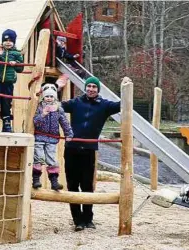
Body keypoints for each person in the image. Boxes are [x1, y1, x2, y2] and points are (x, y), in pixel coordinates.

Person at [61, 76, 120, 231]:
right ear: (85, 88)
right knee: (72, 184)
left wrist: (126, 87)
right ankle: (77, 220)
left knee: (87, 184)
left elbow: (123, 105)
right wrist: (56, 87)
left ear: (98, 89)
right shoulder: (76, 103)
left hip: (89, 150)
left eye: (94, 86)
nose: (91, 89)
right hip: (72, 148)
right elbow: (56, 105)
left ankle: (88, 219)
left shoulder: (104, 106)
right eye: (89, 86)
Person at [32, 82, 73, 190]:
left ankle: (54, 182)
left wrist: (68, 133)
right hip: (40, 137)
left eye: (51, 96)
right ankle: (36, 180)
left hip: (52, 139)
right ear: (43, 97)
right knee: (38, 158)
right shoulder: (39, 107)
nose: (49, 98)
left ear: (54, 97)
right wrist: (43, 115)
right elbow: (35, 122)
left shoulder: (58, 108)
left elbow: (64, 122)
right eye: (47, 96)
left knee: (52, 160)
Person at [0, 29, 24, 133]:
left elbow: (20, 69)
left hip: (8, 82)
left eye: (10, 40)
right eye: (6, 40)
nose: (8, 42)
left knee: (6, 103)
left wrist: (16, 63)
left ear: (14, 42)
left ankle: (6, 124)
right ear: (2, 41)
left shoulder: (17, 53)